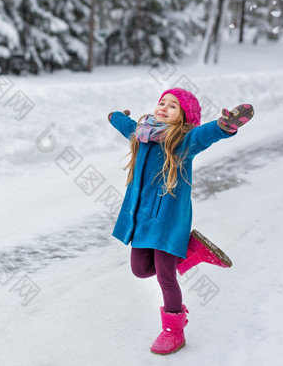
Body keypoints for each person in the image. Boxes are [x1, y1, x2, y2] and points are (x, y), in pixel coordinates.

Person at [107, 88, 254, 355]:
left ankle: (174, 330)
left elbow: (204, 135)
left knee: (165, 275)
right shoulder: (143, 134)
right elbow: (126, 126)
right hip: (142, 219)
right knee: (140, 269)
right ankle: (193, 251)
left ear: (184, 118)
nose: (164, 107)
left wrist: (225, 126)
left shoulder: (183, 140)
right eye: (162, 102)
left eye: (173, 106)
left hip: (167, 219)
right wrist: (115, 116)